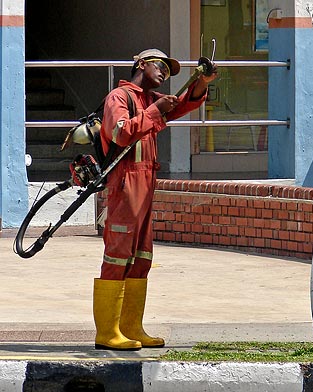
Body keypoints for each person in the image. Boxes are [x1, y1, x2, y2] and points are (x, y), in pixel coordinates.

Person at [93, 48, 217, 351]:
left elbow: (183, 104)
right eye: (159, 66)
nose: (164, 72)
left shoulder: (150, 101)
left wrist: (202, 81)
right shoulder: (120, 97)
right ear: (141, 64)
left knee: (141, 256)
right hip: (125, 183)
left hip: (147, 182)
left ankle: (131, 327)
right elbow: (121, 133)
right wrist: (154, 110)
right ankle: (107, 332)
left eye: (169, 69)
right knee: (118, 254)